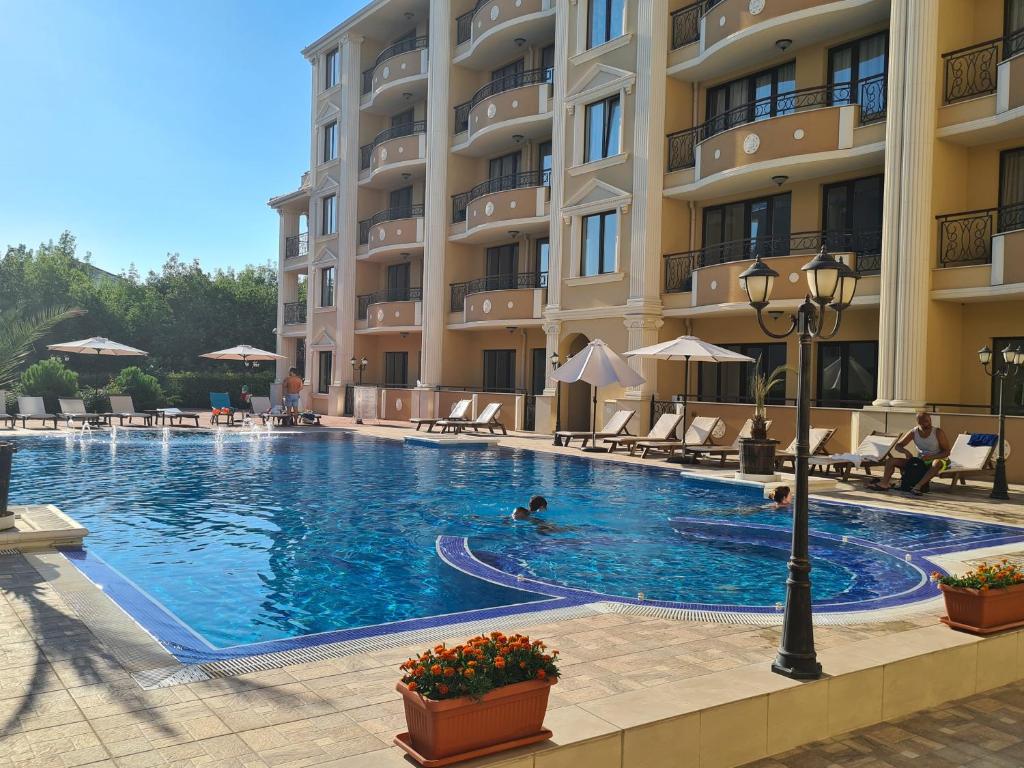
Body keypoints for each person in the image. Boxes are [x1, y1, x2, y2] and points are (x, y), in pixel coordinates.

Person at [870, 412, 951, 496]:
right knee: (891, 461)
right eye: (925, 421)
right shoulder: (914, 432)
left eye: (929, 420)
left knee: (936, 463)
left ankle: (918, 486)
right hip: (921, 460)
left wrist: (932, 457)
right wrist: (906, 452)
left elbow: (947, 452)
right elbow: (898, 446)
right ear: (919, 422)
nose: (928, 423)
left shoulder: (938, 432)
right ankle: (884, 483)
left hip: (940, 459)